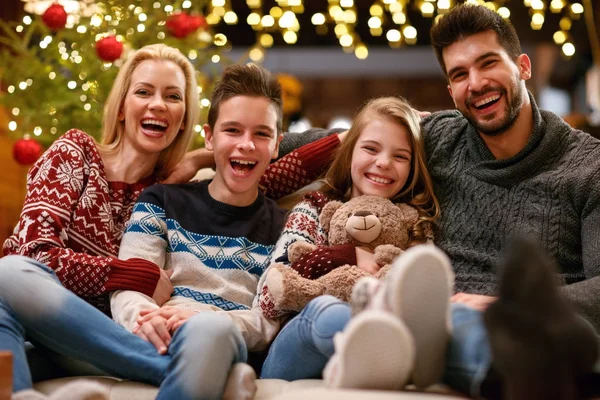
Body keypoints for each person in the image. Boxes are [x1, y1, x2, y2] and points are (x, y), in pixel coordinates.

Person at [255, 4, 600, 398]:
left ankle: (533, 359)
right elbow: (346, 142)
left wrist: (507, 304)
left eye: (488, 64)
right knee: (448, 322)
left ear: (523, 66)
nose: (476, 82)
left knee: (477, 326)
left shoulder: (589, 168)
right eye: (459, 74)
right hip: (436, 319)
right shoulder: (437, 138)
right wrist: (203, 156)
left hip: (522, 320)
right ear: (451, 92)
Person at [0, 44, 339, 398]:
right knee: (7, 274)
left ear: (183, 119)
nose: (158, 105)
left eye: (173, 97)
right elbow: (35, 255)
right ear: (120, 107)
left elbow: (268, 168)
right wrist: (128, 272)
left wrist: (352, 139)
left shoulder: (169, 187)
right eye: (144, 92)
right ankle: (174, 370)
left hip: (110, 335)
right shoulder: (77, 153)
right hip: (54, 315)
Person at [108, 62, 297, 399]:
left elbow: (266, 321)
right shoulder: (162, 200)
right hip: (154, 335)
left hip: (223, 338)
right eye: (233, 131)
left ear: (277, 145)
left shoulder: (286, 227)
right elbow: (131, 280)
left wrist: (201, 317)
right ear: (209, 138)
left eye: (262, 134)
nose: (247, 144)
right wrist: (143, 319)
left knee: (210, 330)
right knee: (15, 279)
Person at [258, 96, 450, 390]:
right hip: (295, 349)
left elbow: (423, 296)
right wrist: (349, 255)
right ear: (349, 154)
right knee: (326, 308)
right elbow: (269, 300)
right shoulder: (315, 210)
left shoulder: (413, 223)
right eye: (371, 148)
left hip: (386, 338)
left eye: (400, 156)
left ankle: (372, 361)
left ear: (412, 168)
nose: (384, 163)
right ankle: (380, 345)